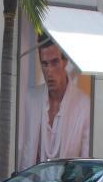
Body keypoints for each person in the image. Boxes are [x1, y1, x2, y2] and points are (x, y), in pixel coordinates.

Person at [18, 36, 90, 171]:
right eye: (44, 64)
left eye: (55, 62)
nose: (49, 72)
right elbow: (26, 151)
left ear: (65, 61)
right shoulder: (31, 99)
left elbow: (87, 161)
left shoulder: (84, 105)